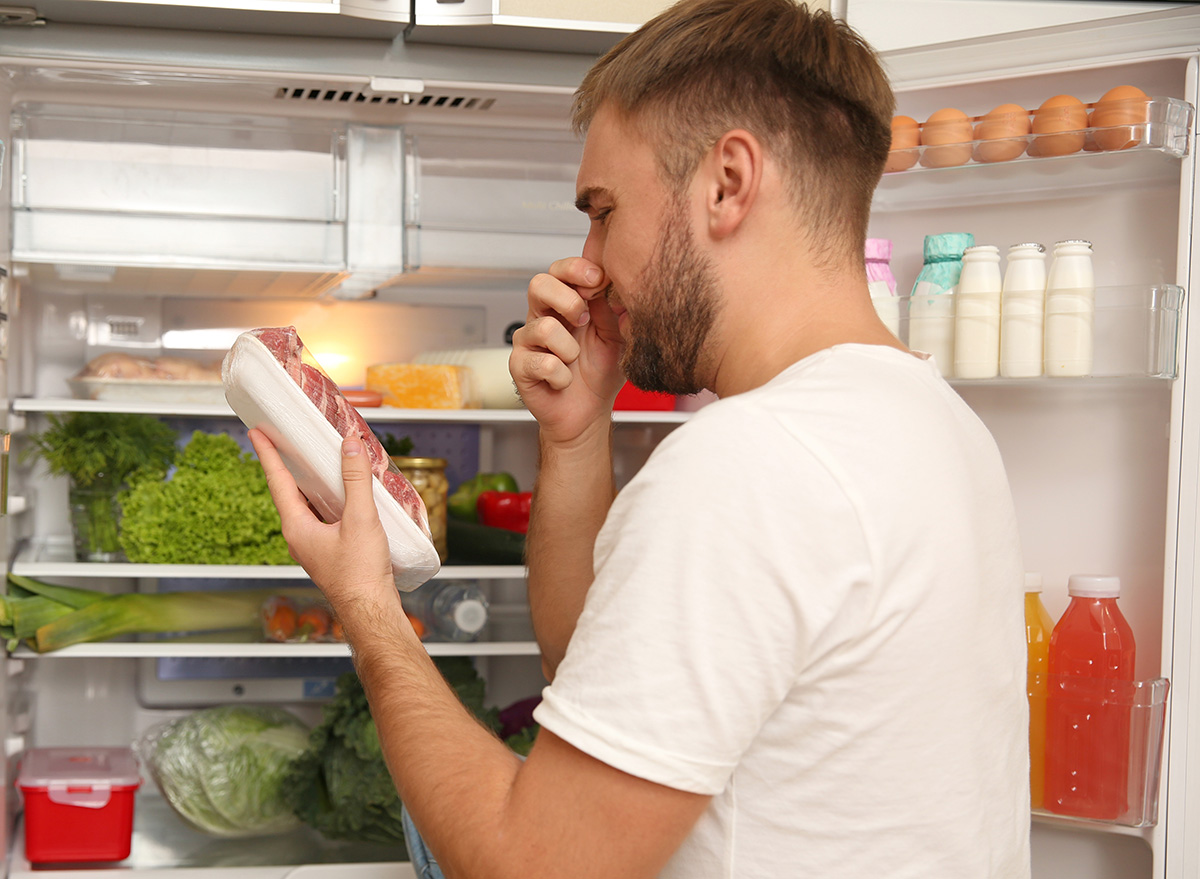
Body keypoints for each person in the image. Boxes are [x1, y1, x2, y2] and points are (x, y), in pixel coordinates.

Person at [249, 0, 1032, 876]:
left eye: (604, 210)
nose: (587, 261)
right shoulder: (940, 423)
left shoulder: (748, 460)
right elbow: (602, 674)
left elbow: (534, 865)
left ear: (728, 183)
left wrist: (365, 606)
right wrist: (577, 436)